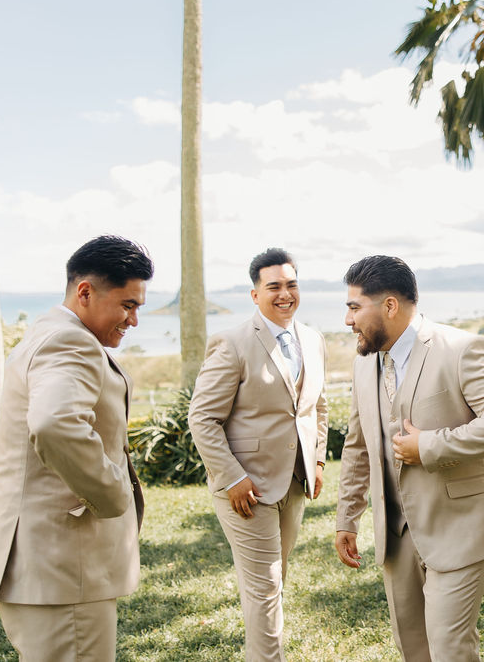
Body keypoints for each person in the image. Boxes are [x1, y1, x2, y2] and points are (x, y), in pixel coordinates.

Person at [334, 255, 484, 661]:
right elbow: (358, 445)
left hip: (460, 523)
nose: (348, 320)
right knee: (413, 648)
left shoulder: (462, 348)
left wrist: (430, 446)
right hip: (396, 533)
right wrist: (346, 518)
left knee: (449, 649)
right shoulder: (364, 362)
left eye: (354, 307)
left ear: (389, 306)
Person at [0, 235, 153, 661]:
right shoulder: (69, 341)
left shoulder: (50, 331)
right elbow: (55, 424)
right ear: (85, 292)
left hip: (51, 568)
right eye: (127, 305)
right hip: (64, 568)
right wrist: (114, 494)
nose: (133, 320)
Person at [188, 247, 327, 661]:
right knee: (265, 587)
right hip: (245, 488)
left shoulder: (314, 340)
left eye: (291, 284)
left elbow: (318, 407)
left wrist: (317, 460)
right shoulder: (231, 343)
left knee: (273, 582)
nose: (284, 294)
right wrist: (231, 477)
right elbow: (202, 418)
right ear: (254, 295)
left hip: (296, 481)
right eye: (274, 287)